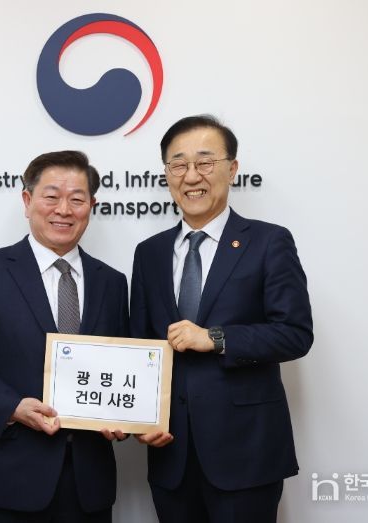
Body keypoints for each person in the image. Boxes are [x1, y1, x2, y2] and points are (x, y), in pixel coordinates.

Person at [130, 115, 313, 523]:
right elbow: (141, 348)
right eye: (178, 164)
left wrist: (215, 338)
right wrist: (140, 419)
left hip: (246, 451)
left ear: (232, 169)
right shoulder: (149, 253)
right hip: (170, 453)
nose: (191, 175)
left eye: (205, 162)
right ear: (167, 174)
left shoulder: (269, 241)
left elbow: (295, 334)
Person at [0, 150, 129, 523]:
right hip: (6, 478)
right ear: (27, 201)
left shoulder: (112, 282)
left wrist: (123, 417)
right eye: (51, 196)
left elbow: (121, 363)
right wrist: (11, 406)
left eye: (77, 199)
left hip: (88, 485)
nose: (64, 210)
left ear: (92, 206)